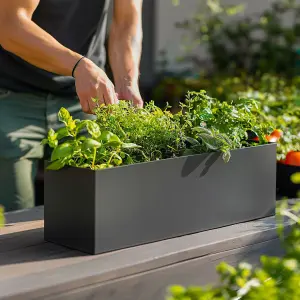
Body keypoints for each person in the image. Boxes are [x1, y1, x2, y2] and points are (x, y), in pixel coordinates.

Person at [0, 0, 144, 212]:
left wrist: (127, 82)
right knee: (12, 218)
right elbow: (9, 25)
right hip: (13, 94)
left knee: (86, 215)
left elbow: (125, 24)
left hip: (83, 100)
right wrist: (79, 66)